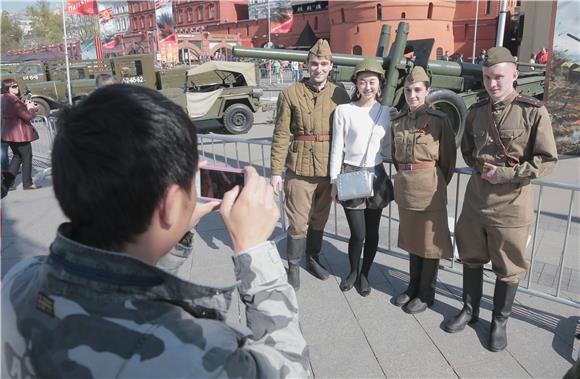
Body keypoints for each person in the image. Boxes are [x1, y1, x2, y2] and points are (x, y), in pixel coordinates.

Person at [1, 84, 309, 377]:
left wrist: (171, 231)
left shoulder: (20, 279)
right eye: (192, 181)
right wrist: (254, 251)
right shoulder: (198, 355)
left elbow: (116, 275)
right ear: (169, 205)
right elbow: (290, 368)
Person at [442, 47, 558, 351]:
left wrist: (505, 175)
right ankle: (470, 310)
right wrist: (480, 167)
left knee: (508, 266)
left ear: (515, 75)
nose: (492, 83)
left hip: (512, 203)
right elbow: (467, 148)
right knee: (470, 256)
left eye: (498, 77)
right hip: (476, 199)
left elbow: (547, 160)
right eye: (487, 77)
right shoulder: (477, 111)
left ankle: (499, 320)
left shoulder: (533, 111)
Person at [271, 39, 350, 290]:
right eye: (314, 64)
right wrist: (275, 172)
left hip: (329, 169)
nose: (319, 68)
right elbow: (281, 134)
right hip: (300, 170)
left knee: (320, 219)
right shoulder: (290, 94)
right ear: (306, 65)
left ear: (330, 66)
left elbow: (351, 130)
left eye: (323, 64)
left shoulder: (340, 94)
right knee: (297, 221)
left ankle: (313, 258)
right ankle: (293, 266)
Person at [390, 67, 456, 313]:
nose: (412, 95)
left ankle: (427, 293)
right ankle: (412, 287)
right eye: (408, 90)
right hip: (407, 187)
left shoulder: (439, 121)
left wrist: (434, 180)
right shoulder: (398, 122)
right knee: (411, 240)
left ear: (427, 91)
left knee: (429, 244)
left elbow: (448, 161)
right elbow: (398, 159)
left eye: (417, 90)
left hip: (430, 189)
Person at [329, 59, 394, 296]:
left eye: (372, 82)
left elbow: (387, 145)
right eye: (363, 81)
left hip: (376, 174)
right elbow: (337, 147)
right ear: (356, 83)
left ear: (380, 85)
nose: (367, 86)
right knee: (358, 233)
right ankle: (353, 271)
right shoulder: (344, 111)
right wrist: (333, 181)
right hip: (351, 173)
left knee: (373, 232)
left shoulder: (386, 112)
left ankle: (365, 274)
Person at [1, 78, 40, 190]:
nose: (17, 87)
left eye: (17, 85)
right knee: (26, 157)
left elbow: (14, 112)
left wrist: (23, 105)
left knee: (17, 157)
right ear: (7, 88)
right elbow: (28, 116)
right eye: (13, 86)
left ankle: (8, 184)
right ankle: (27, 183)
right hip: (19, 135)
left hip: (9, 134)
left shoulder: (5, 98)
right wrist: (30, 108)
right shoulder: (13, 100)